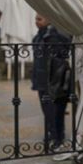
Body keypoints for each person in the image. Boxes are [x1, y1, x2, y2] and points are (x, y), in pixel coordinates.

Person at [32, 14, 72, 150]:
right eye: (35, 18)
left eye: (40, 18)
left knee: (54, 110)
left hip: (54, 80)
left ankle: (57, 137)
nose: (36, 21)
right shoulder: (39, 36)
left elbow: (61, 57)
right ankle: (53, 134)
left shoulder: (55, 35)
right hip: (42, 78)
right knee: (47, 109)